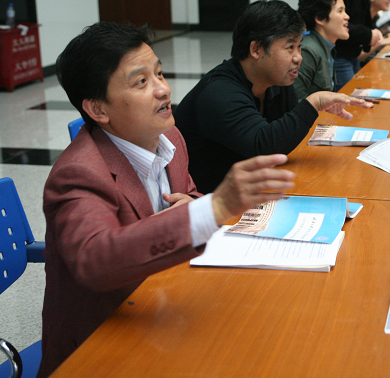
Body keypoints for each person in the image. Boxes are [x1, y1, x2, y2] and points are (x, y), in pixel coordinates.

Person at [39, 22, 296, 377]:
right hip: (105, 345)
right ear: (98, 110)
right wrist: (213, 208)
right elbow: (94, 259)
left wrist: (193, 203)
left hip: (165, 308)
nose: (163, 89)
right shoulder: (78, 174)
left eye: (159, 73)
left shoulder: (169, 137)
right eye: (141, 82)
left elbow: (186, 195)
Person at [173, 0, 371, 193]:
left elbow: (286, 138)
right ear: (256, 49)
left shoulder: (276, 81)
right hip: (204, 200)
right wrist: (314, 103)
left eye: (299, 46)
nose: (298, 57)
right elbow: (264, 146)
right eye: (290, 47)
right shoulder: (219, 92)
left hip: (250, 190)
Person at [294, 0, 349, 101]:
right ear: (320, 18)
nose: (347, 17)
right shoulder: (307, 51)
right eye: (340, 11)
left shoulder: (328, 47)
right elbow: (297, 101)